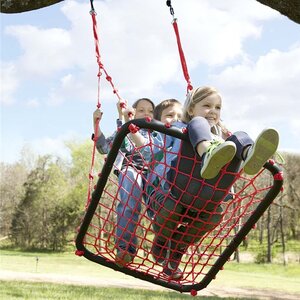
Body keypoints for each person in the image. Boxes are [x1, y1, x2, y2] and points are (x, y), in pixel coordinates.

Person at [146, 86, 279, 280]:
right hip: (179, 187)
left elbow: (226, 141)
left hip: (208, 195)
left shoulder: (224, 141)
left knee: (214, 216)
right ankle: (205, 151)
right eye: (207, 105)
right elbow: (149, 147)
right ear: (190, 109)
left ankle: (249, 155)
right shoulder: (178, 129)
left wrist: (224, 138)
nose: (213, 111)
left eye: (218, 108)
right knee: (171, 207)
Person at [93, 97, 155, 267]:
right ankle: (125, 249)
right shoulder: (125, 128)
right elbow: (104, 148)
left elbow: (151, 153)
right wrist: (96, 123)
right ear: (134, 112)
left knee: (159, 211)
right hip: (130, 168)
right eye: (141, 110)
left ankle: (165, 253)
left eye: (150, 111)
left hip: (153, 173)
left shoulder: (156, 132)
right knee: (129, 204)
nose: (147, 114)